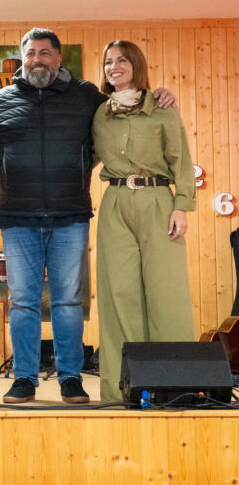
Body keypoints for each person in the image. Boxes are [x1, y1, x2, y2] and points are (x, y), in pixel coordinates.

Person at [0, 28, 176, 404]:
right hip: (18, 217)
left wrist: (156, 95)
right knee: (23, 302)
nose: (37, 60)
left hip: (70, 215)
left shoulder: (86, 97)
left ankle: (70, 378)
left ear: (58, 58)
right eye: (30, 53)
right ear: (23, 59)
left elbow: (125, 109)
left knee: (67, 301)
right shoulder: (2, 99)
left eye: (44, 53)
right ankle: (25, 379)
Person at [93, 40, 196, 403]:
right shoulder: (99, 113)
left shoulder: (162, 108)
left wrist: (181, 206)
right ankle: (120, 390)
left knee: (167, 294)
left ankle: (177, 387)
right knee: (118, 296)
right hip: (115, 203)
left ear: (136, 64)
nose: (114, 67)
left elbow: (181, 160)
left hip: (158, 200)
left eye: (121, 60)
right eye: (108, 62)